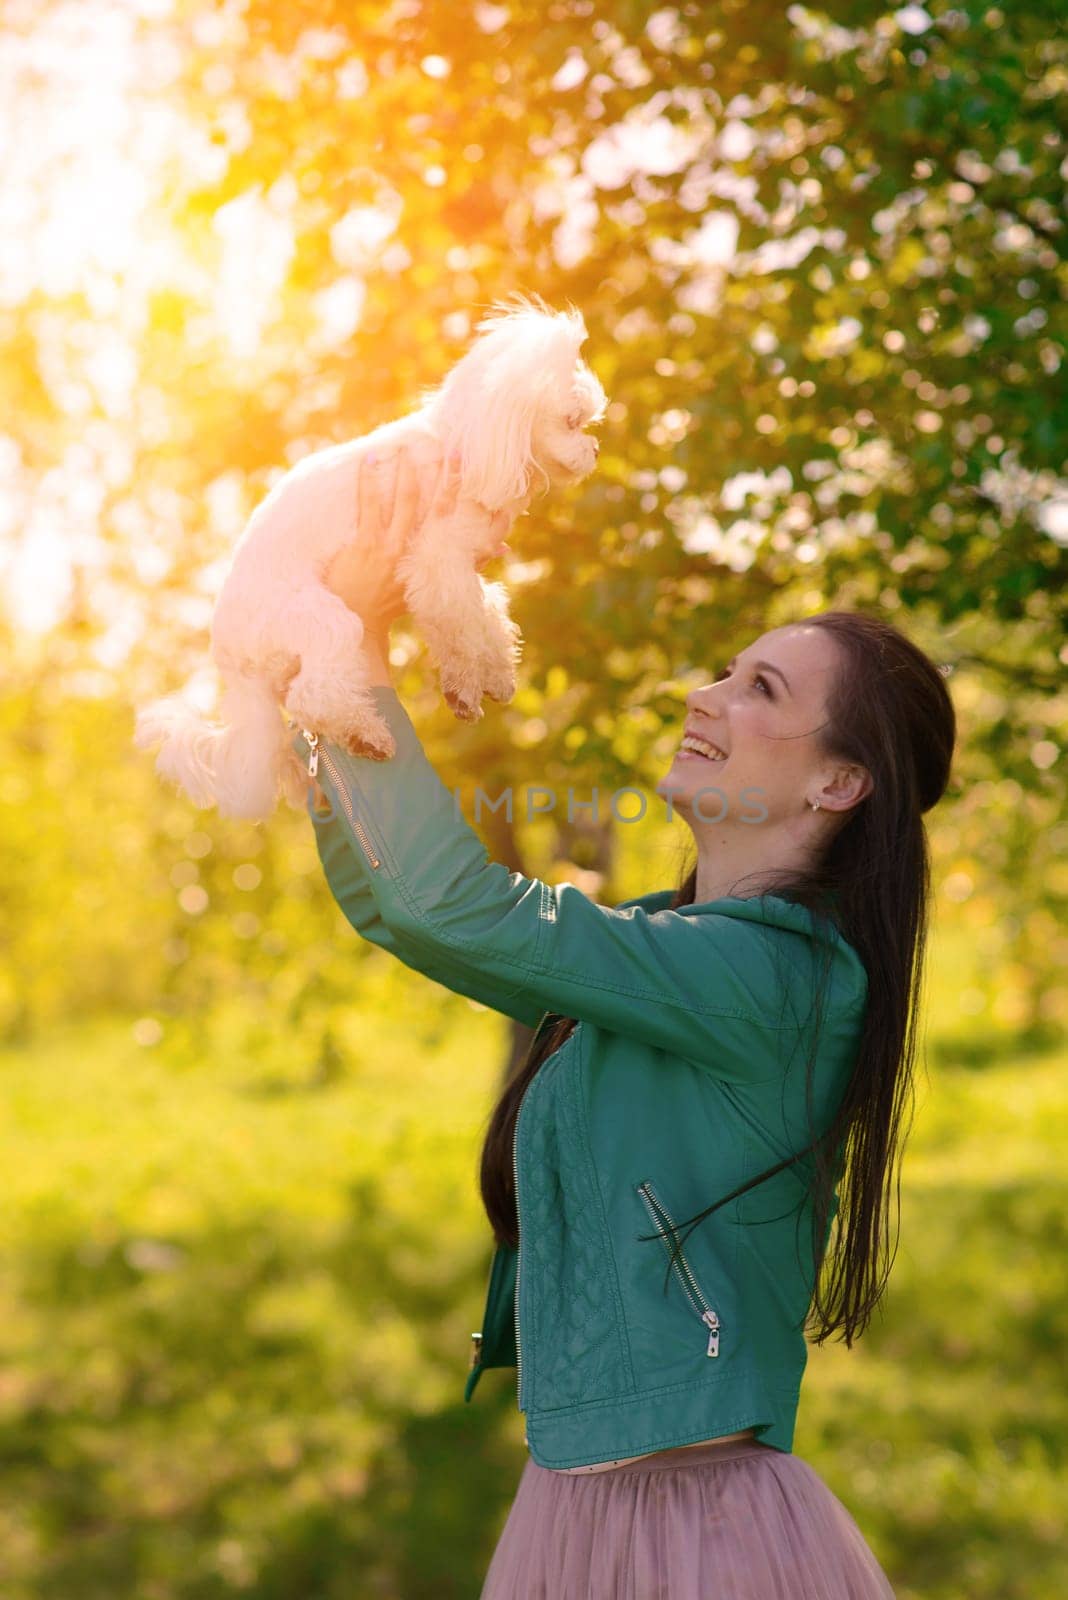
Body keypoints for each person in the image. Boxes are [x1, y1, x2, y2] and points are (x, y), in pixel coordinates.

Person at [294, 449, 956, 1598]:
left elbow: (457, 905)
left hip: (699, 1538)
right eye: (725, 671)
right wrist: (316, 700)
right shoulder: (673, 948)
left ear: (840, 784)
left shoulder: (781, 978)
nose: (707, 695)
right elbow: (403, 912)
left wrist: (346, 645)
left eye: (761, 691)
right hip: (573, 1501)